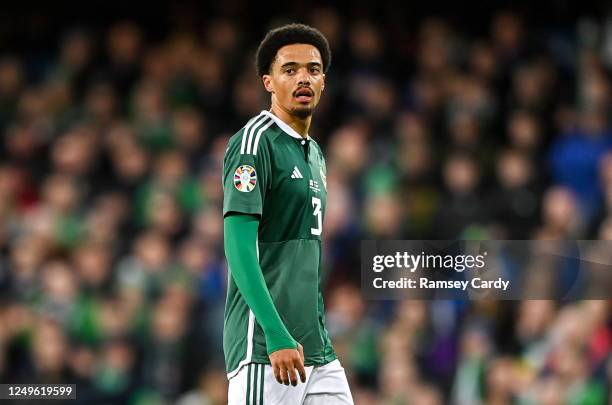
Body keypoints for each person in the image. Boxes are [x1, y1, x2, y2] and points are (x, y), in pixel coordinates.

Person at [222, 23, 354, 404]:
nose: (303, 78)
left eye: (313, 70)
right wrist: (275, 333)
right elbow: (239, 248)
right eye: (290, 69)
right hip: (265, 348)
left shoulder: (314, 153)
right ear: (268, 82)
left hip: (316, 349)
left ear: (324, 82)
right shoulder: (254, 142)